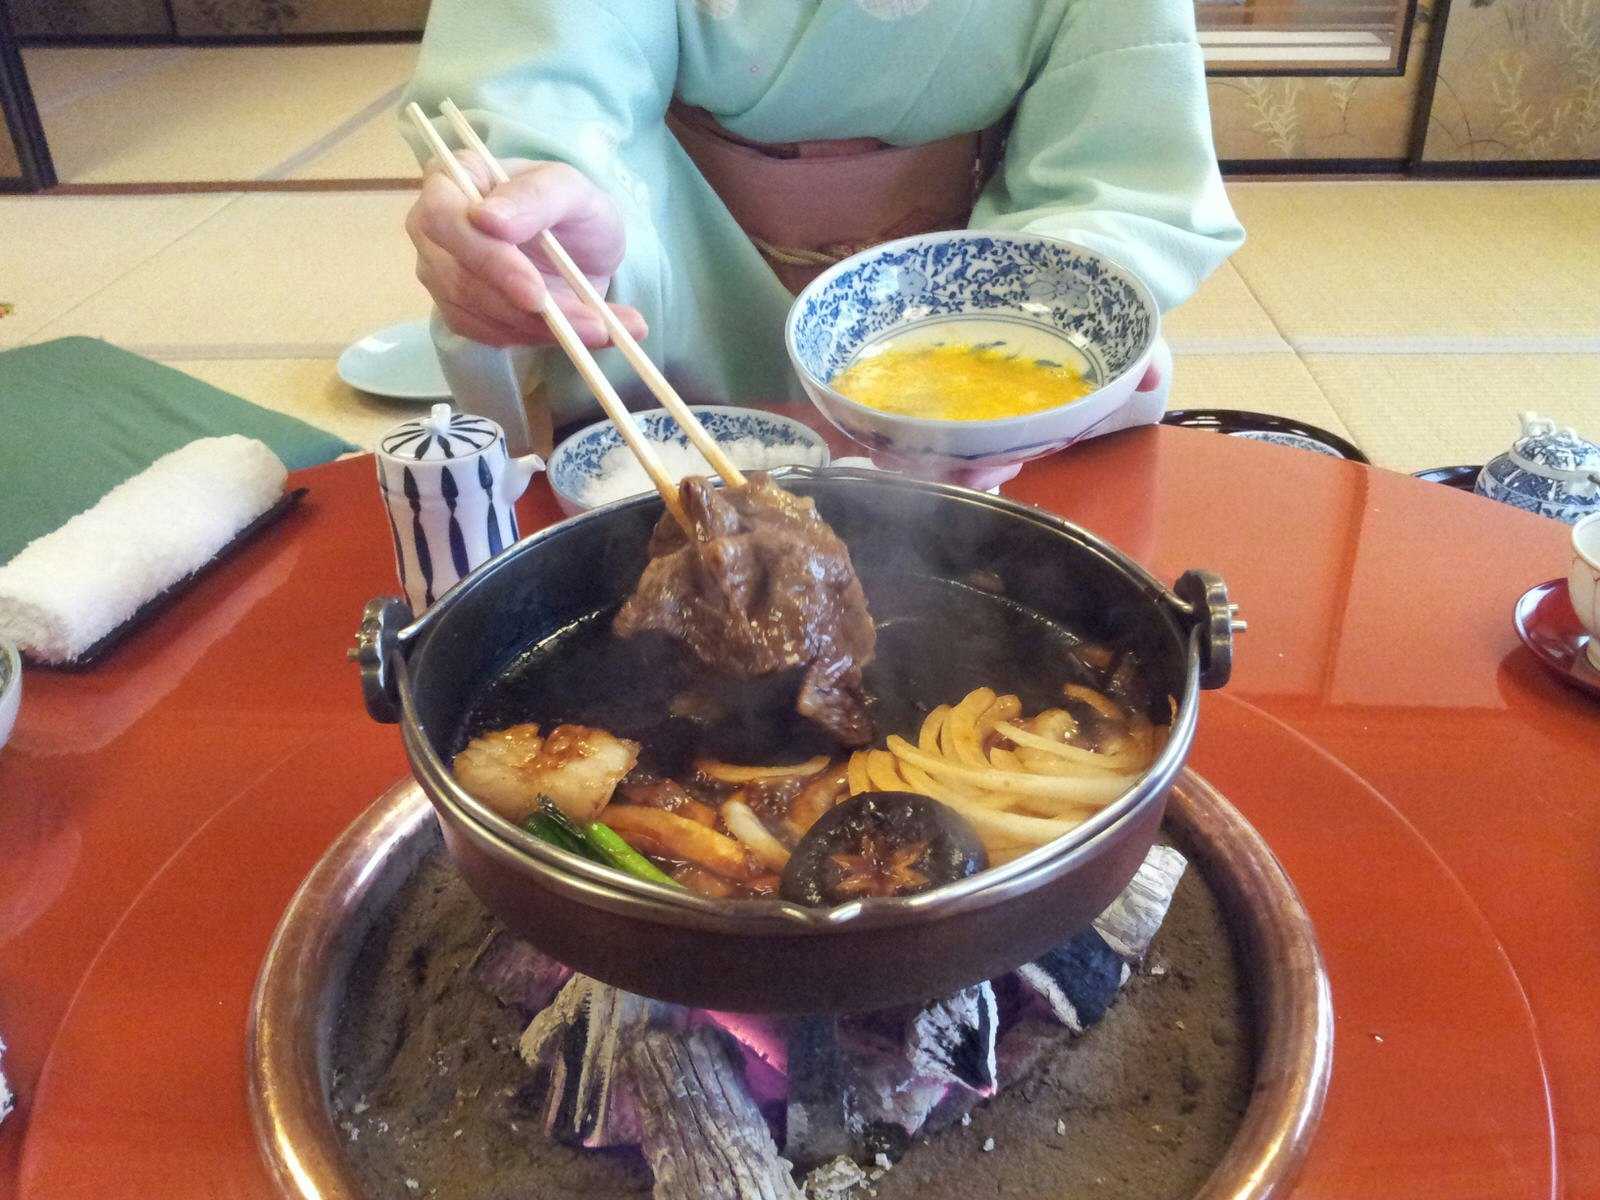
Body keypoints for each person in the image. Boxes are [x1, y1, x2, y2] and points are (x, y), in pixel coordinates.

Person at [401, 0, 1244, 476]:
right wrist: (541, 200)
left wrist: (1036, 308)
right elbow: (542, 84)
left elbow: (1121, 165)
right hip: (677, 273)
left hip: (978, 317)